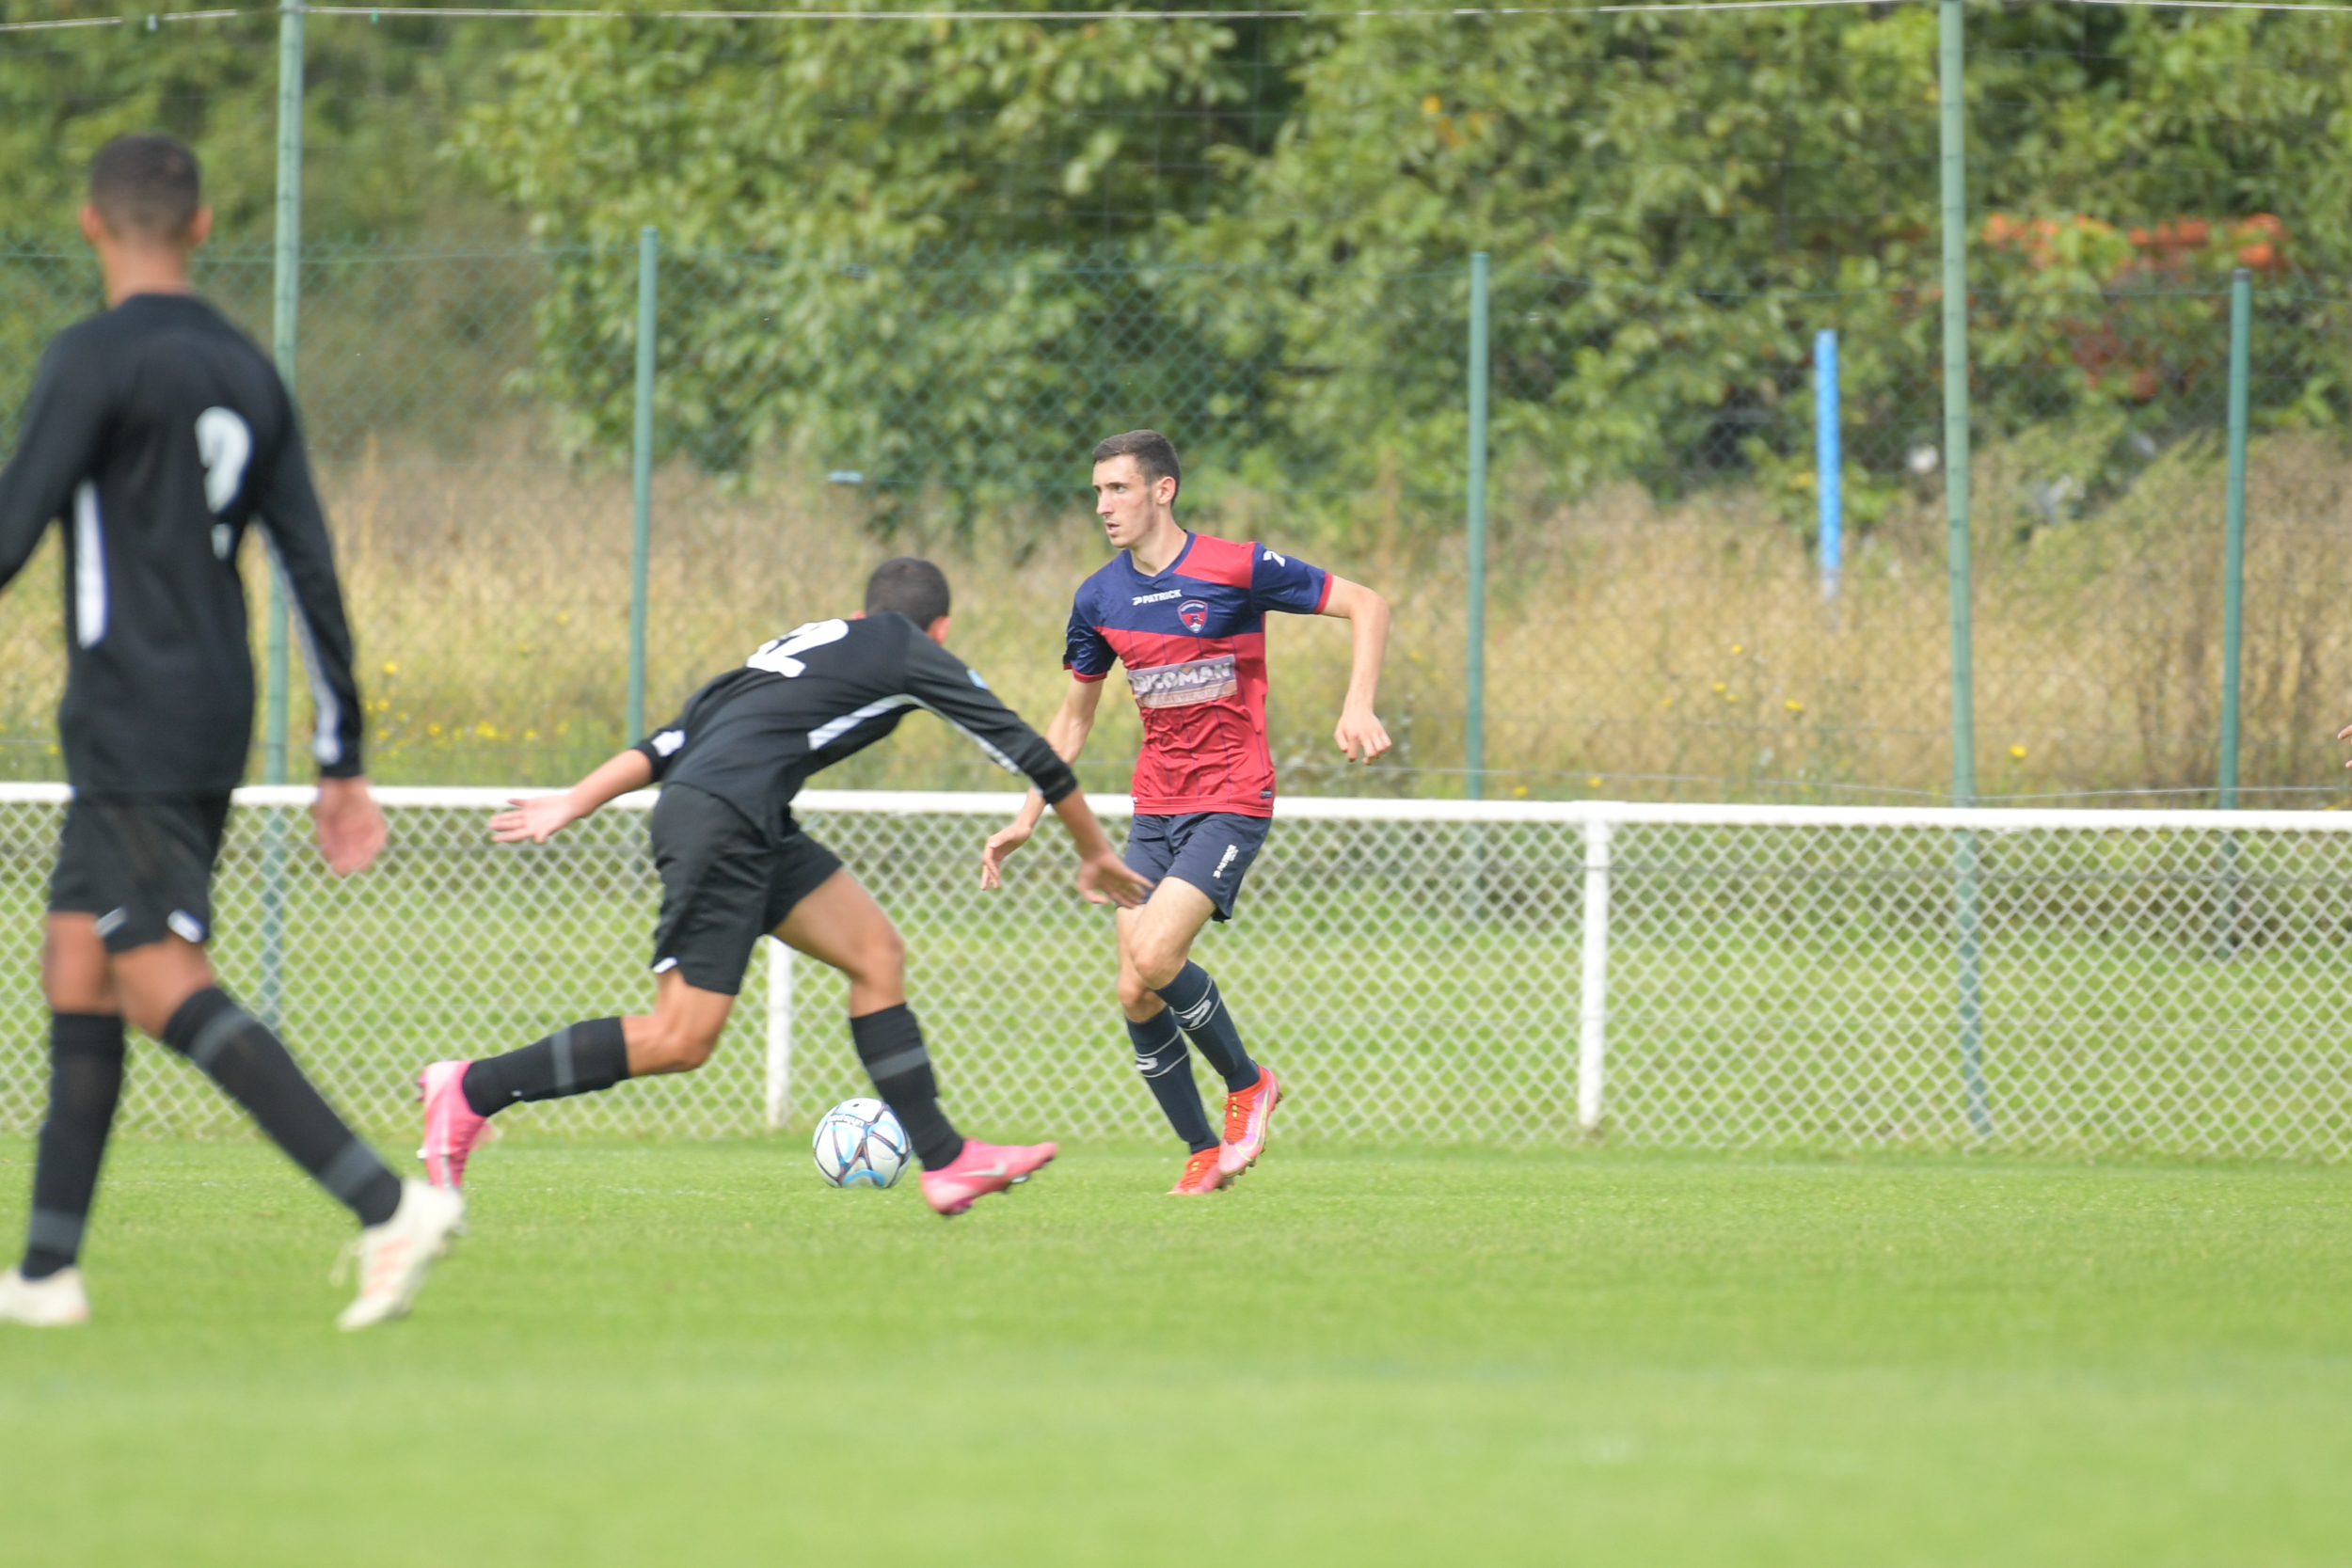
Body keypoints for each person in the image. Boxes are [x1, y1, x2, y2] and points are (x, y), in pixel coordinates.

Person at [0, 135, 463, 1331]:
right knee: (79, 957)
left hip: (130, 710)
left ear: (94, 225)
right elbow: (311, 569)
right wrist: (338, 755)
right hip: (211, 703)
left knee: (155, 973)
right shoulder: (248, 369)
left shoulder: (90, 358)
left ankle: (385, 1203)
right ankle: (48, 1271)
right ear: (202, 227)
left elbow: (11, 532)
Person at [419, 557, 1151, 1215]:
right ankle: (471, 1090)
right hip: (725, 821)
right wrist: (1092, 850)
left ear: (861, 611)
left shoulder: (804, 642)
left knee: (875, 953)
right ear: (941, 628)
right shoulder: (908, 647)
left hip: (740, 814)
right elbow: (1034, 753)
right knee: (680, 1037)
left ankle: (947, 1160)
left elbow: (672, 739)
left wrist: (577, 797)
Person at [980, 430, 1391, 1195]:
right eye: (1098, 491)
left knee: (1157, 956)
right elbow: (1073, 719)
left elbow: (1367, 603)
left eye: (1119, 489)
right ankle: (1202, 1148)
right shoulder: (1098, 597)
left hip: (1233, 798)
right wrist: (1026, 814)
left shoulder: (1236, 567)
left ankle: (1249, 1082)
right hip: (1155, 808)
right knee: (1134, 989)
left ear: (1162, 490)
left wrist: (1357, 702)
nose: (1103, 505)